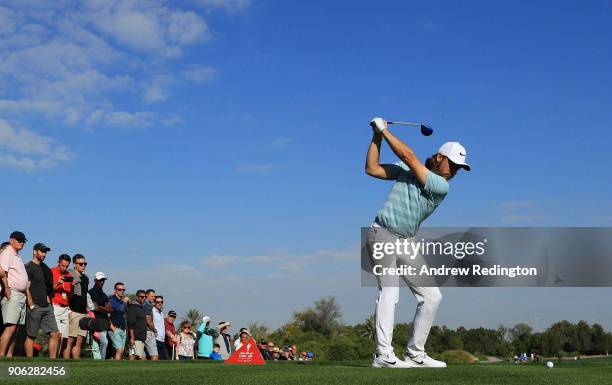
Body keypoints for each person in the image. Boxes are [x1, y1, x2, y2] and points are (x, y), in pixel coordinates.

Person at [365, 118, 470, 368]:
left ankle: (415, 354)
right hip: (382, 234)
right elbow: (372, 168)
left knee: (432, 296)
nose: (453, 171)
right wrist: (377, 135)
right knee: (390, 292)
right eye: (452, 164)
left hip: (406, 242)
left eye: (458, 169)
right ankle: (383, 354)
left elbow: (410, 155)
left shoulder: (441, 187)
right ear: (438, 157)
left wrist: (384, 129)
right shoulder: (406, 168)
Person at [24, 242, 60, 358]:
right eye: (42, 251)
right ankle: (29, 362)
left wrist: (50, 302)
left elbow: (48, 287)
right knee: (31, 335)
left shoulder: (46, 268)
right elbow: (26, 288)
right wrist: (31, 305)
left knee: (55, 334)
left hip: (47, 307)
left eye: (45, 252)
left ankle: (53, 361)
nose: (44, 254)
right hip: (35, 306)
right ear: (35, 251)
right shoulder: (29, 267)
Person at [0, 231, 28, 358]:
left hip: (20, 295)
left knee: (15, 329)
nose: (21, 242)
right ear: (11, 240)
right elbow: (2, 272)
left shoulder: (16, 254)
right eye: (19, 240)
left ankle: (9, 356)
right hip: (13, 293)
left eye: (23, 241)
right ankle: (1, 356)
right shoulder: (8, 252)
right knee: (10, 327)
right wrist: (7, 289)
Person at [64, 254, 90, 359]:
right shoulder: (70, 274)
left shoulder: (85, 278)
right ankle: (66, 362)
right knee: (70, 339)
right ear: (74, 264)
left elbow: (83, 295)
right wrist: (68, 310)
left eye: (85, 264)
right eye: (81, 264)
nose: (83, 266)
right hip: (73, 311)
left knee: (79, 339)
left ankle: (76, 363)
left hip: (83, 312)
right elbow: (67, 293)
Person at [50, 254, 72, 356]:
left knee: (63, 337)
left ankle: (57, 358)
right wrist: (57, 284)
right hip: (55, 306)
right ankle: (53, 359)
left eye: (67, 266)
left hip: (65, 308)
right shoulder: (51, 272)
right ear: (58, 262)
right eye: (63, 265)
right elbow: (48, 290)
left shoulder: (69, 276)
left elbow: (69, 293)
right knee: (56, 335)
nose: (64, 268)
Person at [88, 272, 111, 359]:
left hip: (104, 322)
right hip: (95, 321)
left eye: (103, 280)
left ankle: (100, 361)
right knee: (104, 342)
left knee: (100, 344)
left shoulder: (104, 294)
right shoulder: (91, 292)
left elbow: (110, 309)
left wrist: (100, 307)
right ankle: (101, 361)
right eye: (100, 280)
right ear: (95, 280)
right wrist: (104, 308)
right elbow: (95, 308)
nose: (102, 282)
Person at [108, 282, 129, 360]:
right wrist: (113, 328)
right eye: (120, 289)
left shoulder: (122, 302)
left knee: (121, 351)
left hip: (122, 329)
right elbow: (108, 315)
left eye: (123, 289)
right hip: (114, 329)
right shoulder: (111, 300)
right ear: (115, 291)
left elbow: (125, 312)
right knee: (119, 349)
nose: (122, 291)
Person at [127, 290, 148, 360]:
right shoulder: (132, 307)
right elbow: (130, 324)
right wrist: (132, 338)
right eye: (142, 297)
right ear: (137, 297)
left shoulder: (141, 307)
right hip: (136, 337)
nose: (144, 298)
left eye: (145, 297)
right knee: (133, 355)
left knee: (141, 356)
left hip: (141, 338)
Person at [142, 289, 159, 360]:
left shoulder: (142, 304)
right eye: (152, 296)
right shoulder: (147, 305)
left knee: (142, 355)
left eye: (154, 296)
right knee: (154, 355)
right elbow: (148, 321)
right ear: (146, 296)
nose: (153, 298)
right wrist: (155, 330)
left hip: (140, 331)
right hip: (148, 331)